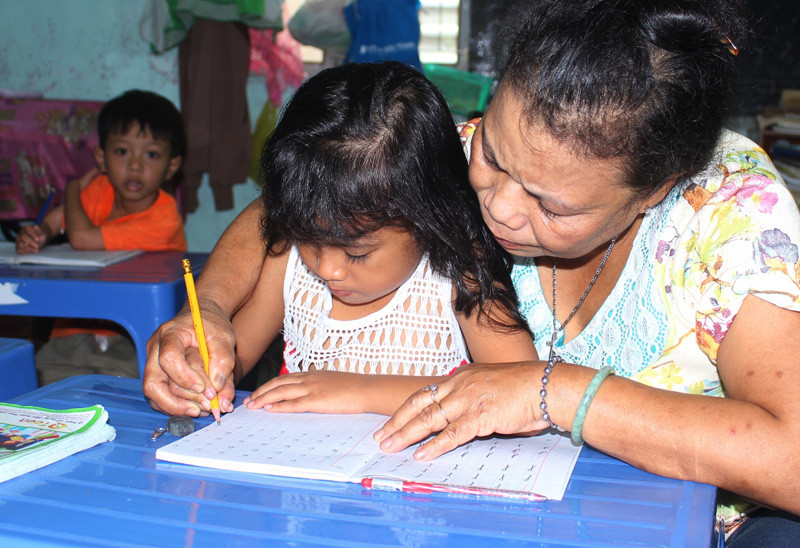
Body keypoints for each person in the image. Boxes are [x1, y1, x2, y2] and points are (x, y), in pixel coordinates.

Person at [144, 1, 800, 542]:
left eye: (551, 204)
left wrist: (555, 391)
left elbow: (791, 459)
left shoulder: (731, 216)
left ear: (655, 189)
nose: (500, 207)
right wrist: (211, 309)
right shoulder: (448, 158)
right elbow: (284, 209)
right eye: (493, 151)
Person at [150, 61, 536, 417]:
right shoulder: (288, 264)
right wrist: (199, 376)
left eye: (357, 253)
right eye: (308, 239)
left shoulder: (460, 271)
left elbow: (521, 389)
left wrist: (361, 391)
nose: (326, 268)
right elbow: (233, 356)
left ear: (427, 219)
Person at [17, 89, 187, 384]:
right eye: (122, 152)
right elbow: (56, 222)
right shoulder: (98, 191)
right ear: (101, 157)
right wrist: (37, 234)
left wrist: (71, 189)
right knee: (38, 383)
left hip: (137, 336)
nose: (135, 165)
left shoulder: (165, 216)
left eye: (151, 154)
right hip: (73, 330)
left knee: (129, 394)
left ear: (171, 166)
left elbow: (80, 238)